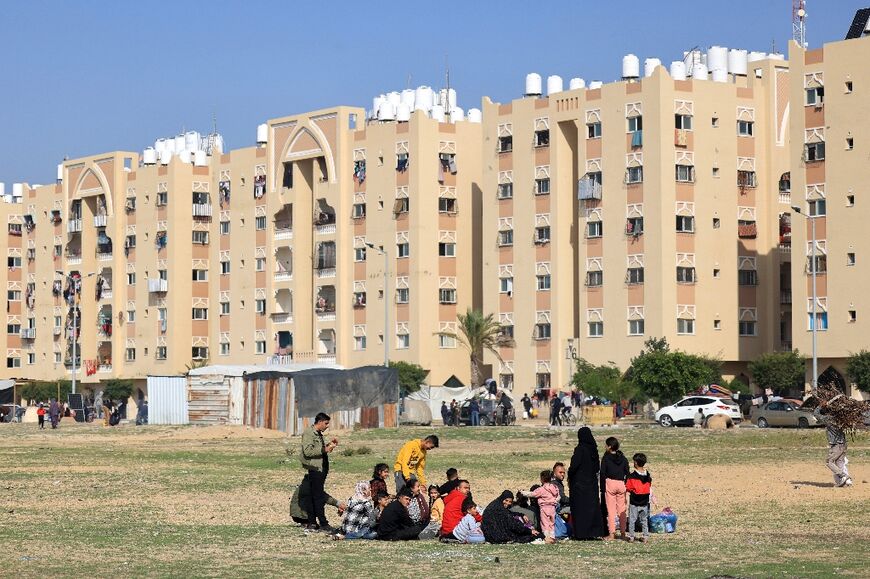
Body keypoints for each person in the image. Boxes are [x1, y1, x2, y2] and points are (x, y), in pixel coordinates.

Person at [299, 412, 339, 531]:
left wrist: (329, 446)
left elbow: (319, 450)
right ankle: (323, 523)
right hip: (315, 469)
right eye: (326, 423)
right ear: (320, 422)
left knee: (314, 495)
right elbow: (308, 451)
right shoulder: (309, 433)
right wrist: (324, 449)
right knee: (318, 496)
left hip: (321, 468)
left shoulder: (318, 434)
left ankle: (312, 522)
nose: (327, 426)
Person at [568, 427, 607, 540]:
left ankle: (581, 534)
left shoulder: (580, 449)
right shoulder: (593, 450)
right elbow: (596, 468)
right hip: (591, 484)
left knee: (580, 509)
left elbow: (574, 465)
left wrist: (570, 475)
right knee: (591, 508)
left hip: (579, 485)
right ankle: (594, 532)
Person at [814, 400, 853, 487]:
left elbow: (816, 414)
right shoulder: (840, 418)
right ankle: (846, 482)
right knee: (840, 463)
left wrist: (820, 406)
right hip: (843, 444)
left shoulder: (828, 419)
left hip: (836, 445)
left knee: (829, 462)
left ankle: (844, 476)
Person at [600, 436, 629, 540]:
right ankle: (623, 533)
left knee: (611, 511)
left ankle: (612, 534)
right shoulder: (623, 457)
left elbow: (602, 473)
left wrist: (602, 488)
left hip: (610, 484)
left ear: (610, 446)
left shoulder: (606, 457)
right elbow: (627, 471)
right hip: (621, 484)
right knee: (622, 510)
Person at [519, 470, 560, 543]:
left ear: (542, 479)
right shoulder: (555, 487)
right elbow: (558, 496)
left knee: (545, 524)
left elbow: (532, 494)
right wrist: (555, 501)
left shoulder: (541, 489)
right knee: (551, 523)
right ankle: (552, 537)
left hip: (544, 508)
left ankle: (546, 538)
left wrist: (523, 492)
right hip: (552, 508)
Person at [625, 453, 652, 543]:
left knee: (632, 520)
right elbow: (649, 486)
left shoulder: (632, 477)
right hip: (644, 502)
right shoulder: (648, 476)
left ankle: (631, 536)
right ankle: (645, 536)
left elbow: (628, 488)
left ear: (635, 463)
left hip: (634, 502)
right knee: (644, 520)